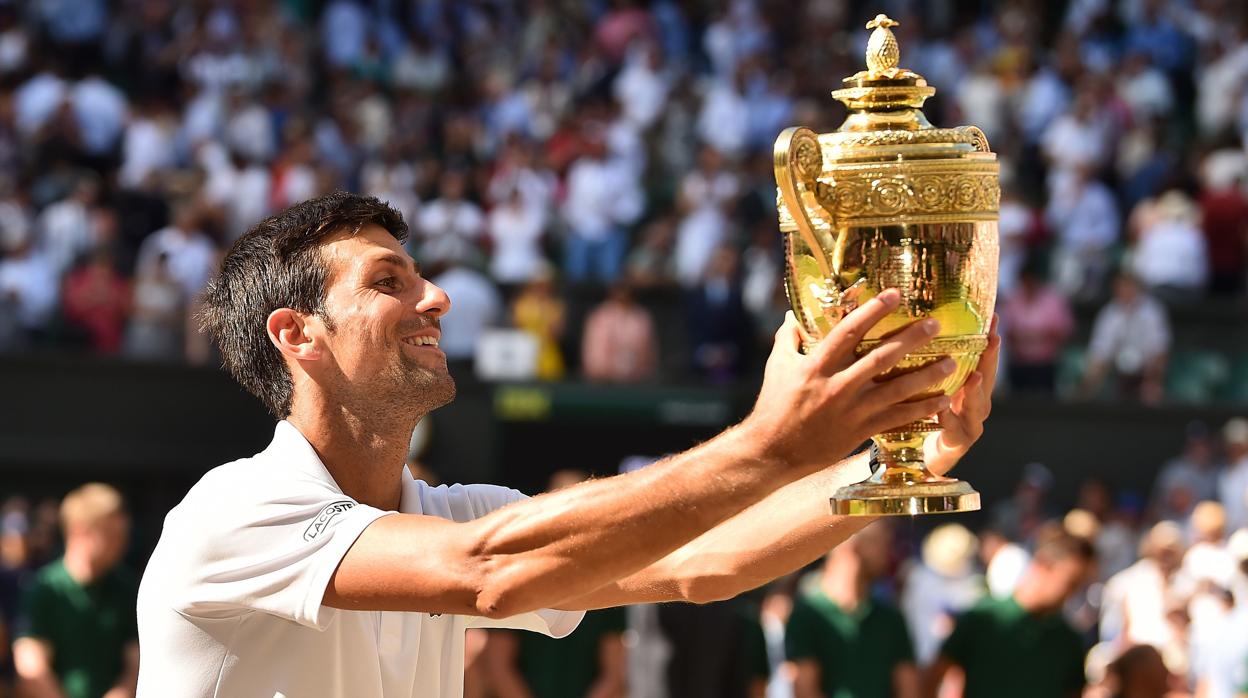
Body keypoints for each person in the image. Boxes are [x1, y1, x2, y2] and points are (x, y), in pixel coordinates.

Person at [136, 192, 997, 697]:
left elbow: (706, 561)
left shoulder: (456, 515)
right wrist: (770, 442)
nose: (436, 296)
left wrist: (906, 459)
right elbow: (486, 571)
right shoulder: (232, 511)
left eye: (421, 273)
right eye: (389, 281)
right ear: (299, 337)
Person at [926, 532, 1096, 698]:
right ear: (1043, 565)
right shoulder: (983, 619)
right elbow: (936, 674)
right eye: (1070, 582)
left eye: (1079, 585)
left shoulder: (1068, 640)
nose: (1072, 593)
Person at [13, 483, 138, 698]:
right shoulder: (46, 587)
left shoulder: (126, 587)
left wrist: (122, 693)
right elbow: (30, 665)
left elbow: (136, 660)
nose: (122, 543)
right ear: (79, 531)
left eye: (123, 534)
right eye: (111, 534)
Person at [786, 521, 920, 698]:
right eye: (883, 544)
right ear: (854, 547)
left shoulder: (891, 618)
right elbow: (804, 690)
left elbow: (908, 687)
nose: (889, 554)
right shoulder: (807, 615)